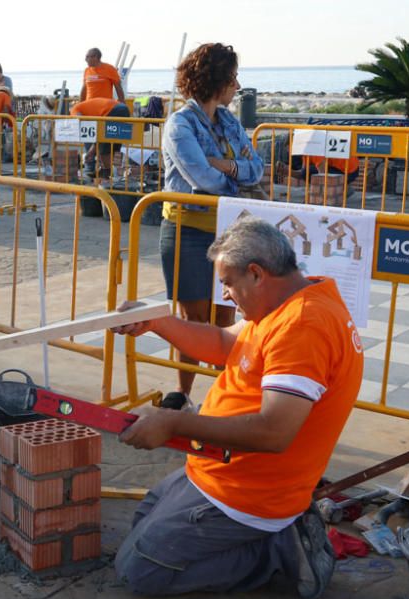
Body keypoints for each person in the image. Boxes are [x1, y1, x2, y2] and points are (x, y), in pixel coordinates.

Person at [111, 220, 363, 599]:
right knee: (143, 523)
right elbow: (225, 343)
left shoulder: (303, 325)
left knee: (139, 571)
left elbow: (273, 432)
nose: (226, 296)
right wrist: (159, 322)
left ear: (258, 274)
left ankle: (279, 553)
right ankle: (265, 539)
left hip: (250, 493)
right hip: (217, 470)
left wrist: (175, 422)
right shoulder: (285, 303)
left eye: (228, 283)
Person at [158, 42, 263, 411]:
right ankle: (183, 396)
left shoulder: (229, 122)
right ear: (217, 81)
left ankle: (226, 399)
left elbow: (257, 167)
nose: (237, 86)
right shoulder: (180, 124)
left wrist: (227, 166)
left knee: (226, 317)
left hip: (228, 230)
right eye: (232, 79)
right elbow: (201, 177)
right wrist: (234, 173)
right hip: (187, 229)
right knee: (194, 318)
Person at [70, 96, 131, 180]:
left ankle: (107, 175)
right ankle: (117, 176)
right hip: (123, 109)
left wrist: (91, 151)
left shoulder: (74, 110)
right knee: (115, 146)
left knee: (104, 148)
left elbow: (84, 122)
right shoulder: (86, 108)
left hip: (112, 111)